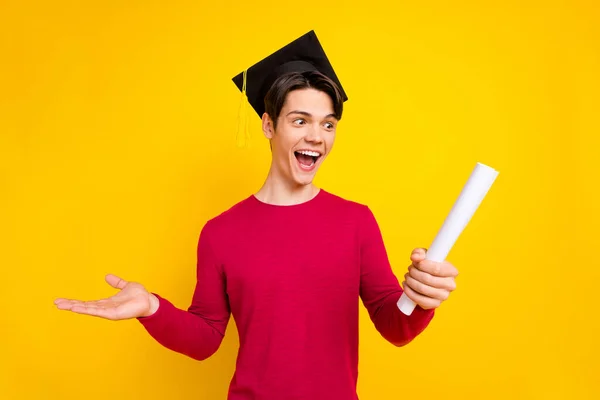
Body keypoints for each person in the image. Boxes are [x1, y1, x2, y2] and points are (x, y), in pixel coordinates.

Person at [54, 30, 459, 399]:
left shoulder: (355, 221)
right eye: (300, 121)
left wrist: (420, 298)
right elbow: (206, 339)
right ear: (268, 125)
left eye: (328, 124)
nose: (316, 137)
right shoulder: (220, 232)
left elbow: (394, 325)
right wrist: (152, 308)